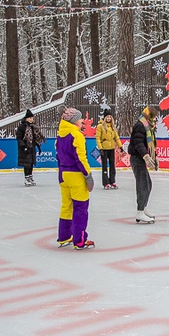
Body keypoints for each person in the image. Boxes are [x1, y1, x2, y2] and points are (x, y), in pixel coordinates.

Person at [56, 107, 95, 250]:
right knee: (80, 208)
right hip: (76, 176)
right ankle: (79, 240)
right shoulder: (76, 135)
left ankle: (64, 236)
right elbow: (81, 158)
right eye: (79, 119)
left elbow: (58, 157)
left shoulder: (60, 134)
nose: (82, 121)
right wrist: (88, 176)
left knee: (66, 206)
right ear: (73, 121)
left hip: (64, 175)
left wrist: (61, 175)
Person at [127, 106, 159, 224]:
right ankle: (140, 211)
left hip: (140, 158)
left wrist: (155, 156)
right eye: (154, 116)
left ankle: (143, 208)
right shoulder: (140, 126)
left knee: (148, 184)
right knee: (142, 185)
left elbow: (150, 144)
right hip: (137, 158)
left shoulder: (148, 126)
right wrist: (145, 156)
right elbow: (138, 143)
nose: (155, 119)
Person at [95, 109, 124, 189]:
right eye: (107, 117)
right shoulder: (100, 126)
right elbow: (98, 138)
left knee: (112, 165)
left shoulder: (113, 127)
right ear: (104, 118)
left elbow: (116, 137)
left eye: (110, 117)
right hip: (104, 148)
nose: (108, 118)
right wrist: (100, 148)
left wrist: (120, 146)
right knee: (104, 166)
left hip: (111, 148)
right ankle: (105, 183)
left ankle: (112, 181)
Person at [16, 109, 45, 186]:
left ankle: (30, 176)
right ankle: (26, 177)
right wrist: (23, 146)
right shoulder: (22, 127)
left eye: (32, 118)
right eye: (30, 118)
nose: (31, 120)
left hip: (32, 148)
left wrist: (38, 145)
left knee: (31, 163)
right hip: (25, 148)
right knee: (27, 164)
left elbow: (35, 137)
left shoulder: (33, 127)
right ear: (26, 118)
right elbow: (19, 138)